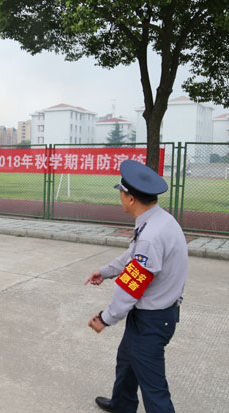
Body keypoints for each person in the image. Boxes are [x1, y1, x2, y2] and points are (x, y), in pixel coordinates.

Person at [84, 160, 188, 413]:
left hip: (152, 320)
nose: (119, 196)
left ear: (130, 199)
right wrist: (106, 271)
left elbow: (131, 287)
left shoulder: (151, 236)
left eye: (121, 192)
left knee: (154, 390)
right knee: (127, 361)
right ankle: (122, 404)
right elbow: (133, 256)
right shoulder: (158, 220)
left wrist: (105, 318)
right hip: (150, 316)